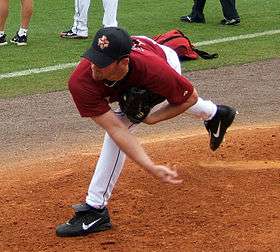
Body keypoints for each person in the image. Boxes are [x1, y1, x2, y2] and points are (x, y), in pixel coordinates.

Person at [55, 27, 236, 237]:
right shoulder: (81, 81)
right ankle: (217, 114)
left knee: (125, 127)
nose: (94, 66)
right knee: (119, 125)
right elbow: (113, 127)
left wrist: (152, 119)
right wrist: (149, 165)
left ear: (123, 62)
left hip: (163, 61)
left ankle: (96, 209)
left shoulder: (155, 72)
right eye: (93, 57)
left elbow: (189, 97)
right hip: (141, 54)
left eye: (102, 63)